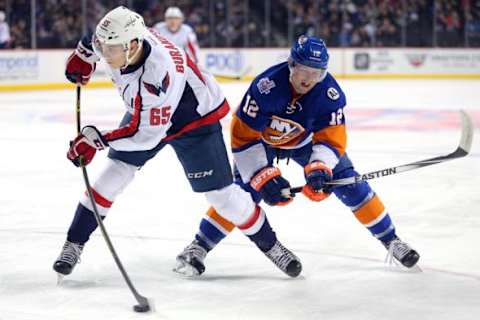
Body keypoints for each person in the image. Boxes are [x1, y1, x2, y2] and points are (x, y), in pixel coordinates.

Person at [53, 6, 302, 279]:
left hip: (193, 120)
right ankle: (73, 244)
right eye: (102, 47)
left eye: (108, 49)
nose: (103, 53)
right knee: (109, 179)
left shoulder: (157, 74)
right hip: (147, 113)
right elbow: (97, 37)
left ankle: (272, 246)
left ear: (133, 45)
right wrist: (83, 53)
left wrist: (96, 141)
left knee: (223, 197)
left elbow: (144, 136)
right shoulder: (125, 38)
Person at [176, 35, 420, 274]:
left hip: (305, 143)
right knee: (241, 195)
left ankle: (391, 240)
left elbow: (332, 139)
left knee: (348, 181)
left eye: (318, 73)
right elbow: (243, 136)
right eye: (305, 70)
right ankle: (198, 246)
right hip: (261, 143)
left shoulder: (329, 94)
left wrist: (320, 167)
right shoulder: (266, 86)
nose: (310, 79)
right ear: (292, 64)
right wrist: (262, 175)